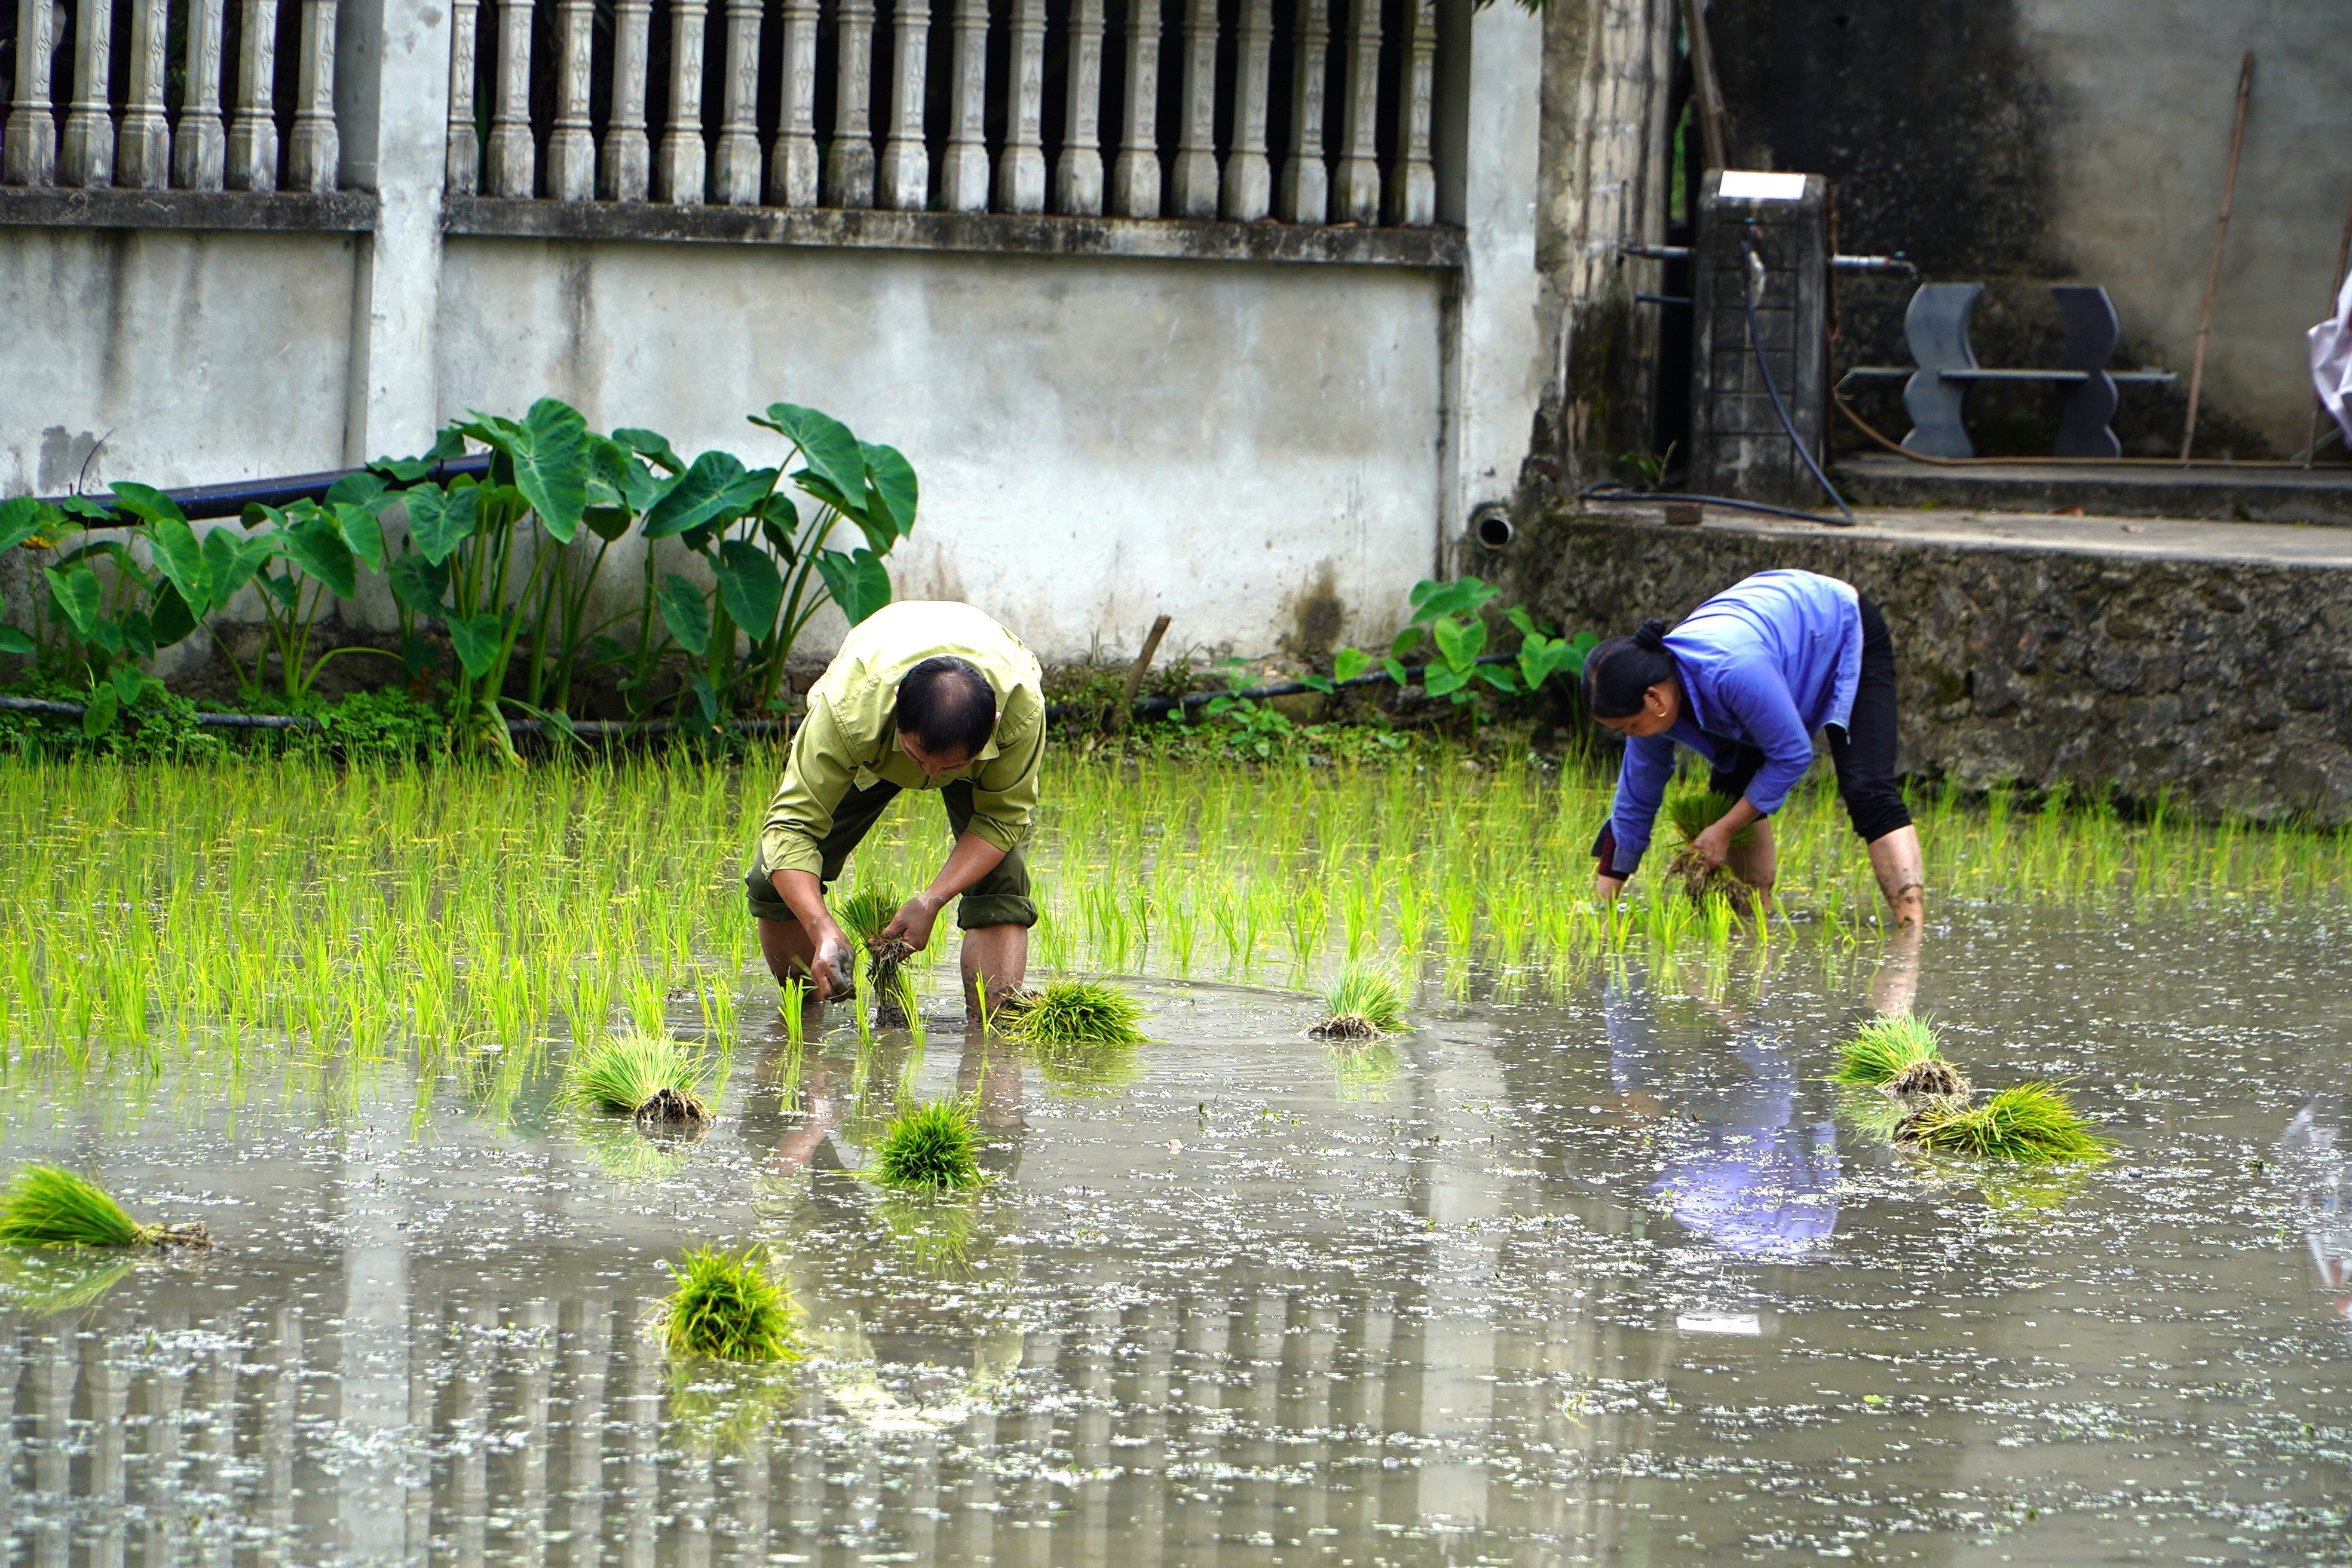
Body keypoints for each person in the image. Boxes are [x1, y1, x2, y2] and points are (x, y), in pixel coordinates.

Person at [746, 600, 1043, 1020]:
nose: (931, 773)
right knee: (771, 878)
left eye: (949, 767)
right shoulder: (850, 708)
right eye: (919, 756)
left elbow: (1002, 819)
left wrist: (933, 900)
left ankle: (992, 1035)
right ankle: (808, 1024)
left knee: (1002, 883)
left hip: (971, 738)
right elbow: (792, 829)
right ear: (898, 704)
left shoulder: (1020, 710)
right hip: (873, 737)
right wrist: (821, 927)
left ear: (993, 725)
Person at [1582, 567, 1924, 927]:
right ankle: (1754, 922)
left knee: (1866, 787)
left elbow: (1792, 756)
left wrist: (1724, 831)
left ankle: (1910, 928)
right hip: (1773, 649)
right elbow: (1635, 802)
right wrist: (1606, 907)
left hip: (1837, 626)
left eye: (1630, 726)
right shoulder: (1656, 710)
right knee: (1729, 793)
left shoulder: (1731, 672)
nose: (1632, 735)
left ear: (1654, 699)